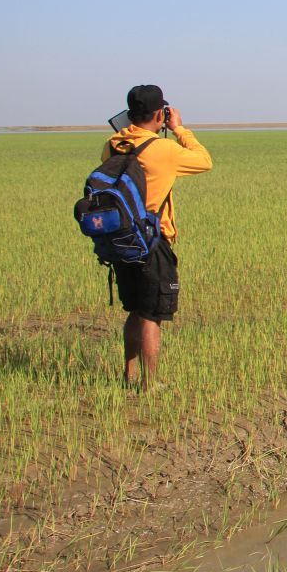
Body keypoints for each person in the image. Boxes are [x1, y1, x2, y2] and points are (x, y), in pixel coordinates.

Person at [102, 84, 213, 389]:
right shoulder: (162, 150)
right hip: (151, 241)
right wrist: (179, 129)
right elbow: (204, 161)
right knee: (152, 314)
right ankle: (150, 384)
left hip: (120, 238)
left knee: (135, 310)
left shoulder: (113, 144)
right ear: (158, 114)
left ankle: (130, 376)